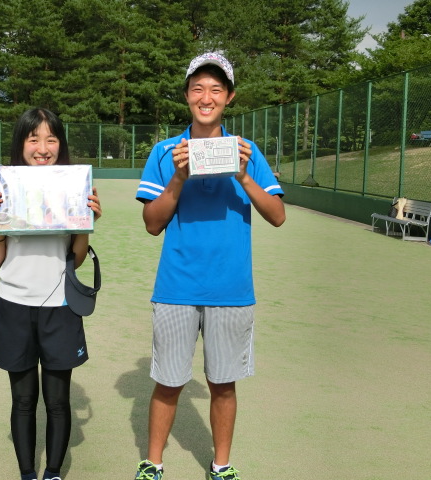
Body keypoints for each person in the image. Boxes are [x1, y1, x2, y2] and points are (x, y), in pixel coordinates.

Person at [134, 52, 286, 480]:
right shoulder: (165, 152)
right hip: (176, 287)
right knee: (168, 382)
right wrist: (179, 176)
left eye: (216, 89)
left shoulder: (247, 152)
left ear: (229, 97)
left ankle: (221, 465)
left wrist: (243, 174)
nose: (207, 97)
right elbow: (152, 224)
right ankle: (153, 463)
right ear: (186, 95)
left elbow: (277, 216)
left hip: (232, 290)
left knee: (223, 384)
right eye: (198, 88)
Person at [0, 108, 102, 480]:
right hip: (13, 306)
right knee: (22, 400)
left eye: (51, 139)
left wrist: (85, 224)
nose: (43, 148)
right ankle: (27, 474)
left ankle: (52, 473)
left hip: (59, 306)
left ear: (60, 145)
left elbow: (76, 260)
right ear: (21, 144)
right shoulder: (2, 189)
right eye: (34, 139)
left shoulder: (74, 188)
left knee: (58, 402)